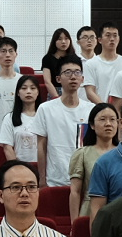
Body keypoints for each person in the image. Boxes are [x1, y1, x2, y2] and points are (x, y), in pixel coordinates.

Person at [33, 60, 87, 190]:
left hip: (84, 180)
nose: (73, 77)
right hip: (54, 180)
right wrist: (42, 179)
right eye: (67, 72)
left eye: (77, 72)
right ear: (58, 79)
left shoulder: (90, 110)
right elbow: (41, 146)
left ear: (82, 79)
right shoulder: (45, 109)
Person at [70, 102, 122, 217]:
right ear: (92, 125)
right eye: (102, 119)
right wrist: (74, 222)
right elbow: (75, 192)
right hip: (90, 211)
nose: (108, 124)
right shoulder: (82, 154)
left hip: (119, 210)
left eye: (112, 120)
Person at [0, 73, 46, 166]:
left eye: (32, 88)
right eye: (24, 88)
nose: (28, 92)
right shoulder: (9, 118)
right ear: (18, 93)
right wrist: (18, 168)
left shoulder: (45, 117)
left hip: (43, 166)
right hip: (20, 167)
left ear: (38, 92)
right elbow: (7, 148)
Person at [83, 23, 122, 107]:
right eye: (108, 35)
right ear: (100, 40)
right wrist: (106, 108)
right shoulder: (91, 64)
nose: (112, 39)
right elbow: (90, 92)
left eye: (115, 36)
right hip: (100, 110)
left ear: (119, 39)